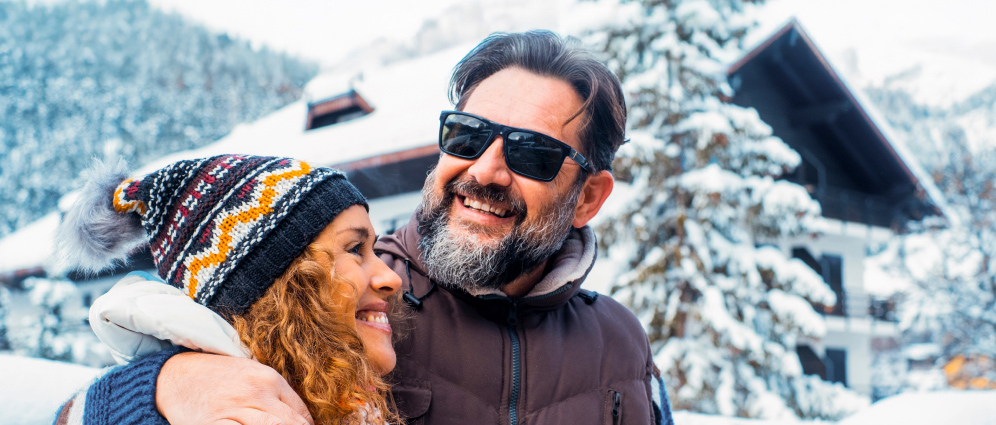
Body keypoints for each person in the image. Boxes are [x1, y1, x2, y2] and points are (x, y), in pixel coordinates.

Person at [59, 31, 673, 425]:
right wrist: (166, 385)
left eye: (533, 154)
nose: (485, 170)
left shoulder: (619, 343)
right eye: (466, 135)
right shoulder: (344, 294)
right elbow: (79, 409)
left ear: (589, 196)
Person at [53, 155, 403, 425]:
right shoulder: (216, 411)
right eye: (355, 249)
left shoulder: (345, 399)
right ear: (275, 289)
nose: (392, 277)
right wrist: (149, 392)